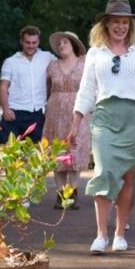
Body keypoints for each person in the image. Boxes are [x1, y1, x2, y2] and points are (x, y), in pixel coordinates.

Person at [73, 0, 135, 255]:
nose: (120, 26)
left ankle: (120, 233)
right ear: (106, 24)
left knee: (127, 177)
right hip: (105, 116)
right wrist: (76, 123)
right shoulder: (95, 52)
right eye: (116, 21)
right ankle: (101, 235)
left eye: (125, 22)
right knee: (104, 172)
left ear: (131, 25)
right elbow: (86, 89)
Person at [44, 31, 89, 209]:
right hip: (55, 113)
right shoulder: (52, 66)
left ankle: (73, 192)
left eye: (65, 42)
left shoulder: (85, 64)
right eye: (59, 44)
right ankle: (60, 194)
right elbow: (47, 88)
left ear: (73, 44)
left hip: (78, 112)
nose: (61, 45)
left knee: (76, 151)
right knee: (58, 153)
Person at [0, 26, 53, 144]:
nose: (31, 46)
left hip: (37, 114)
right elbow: (3, 87)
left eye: (34, 42)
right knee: (7, 153)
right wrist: (5, 109)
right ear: (21, 41)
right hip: (14, 114)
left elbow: (64, 64)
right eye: (27, 42)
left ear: (38, 42)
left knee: (34, 155)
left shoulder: (47, 57)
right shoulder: (10, 62)